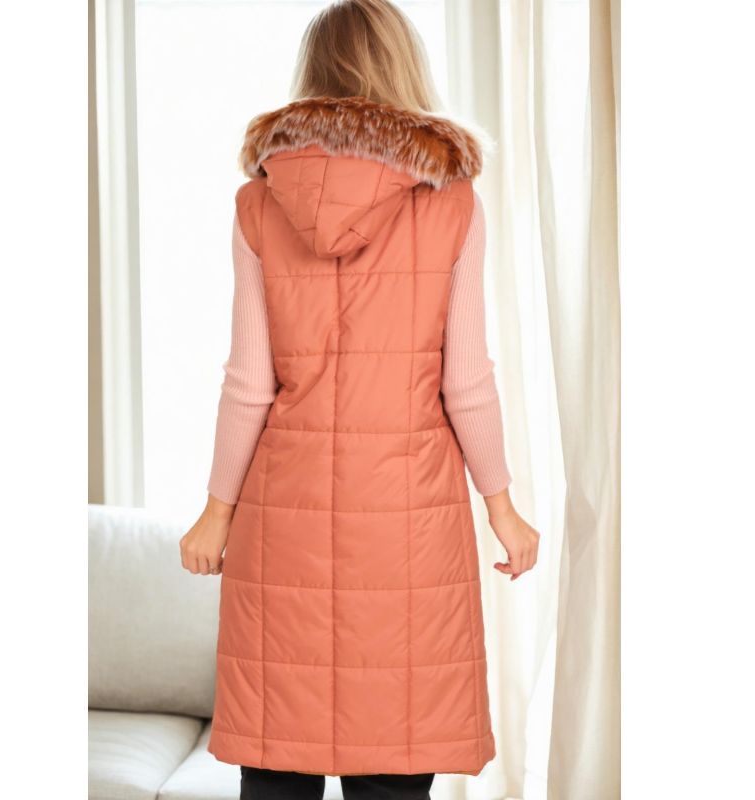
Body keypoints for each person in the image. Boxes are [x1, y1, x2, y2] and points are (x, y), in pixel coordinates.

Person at [179, 1, 540, 797]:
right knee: (395, 763)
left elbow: (249, 383)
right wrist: (502, 508)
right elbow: (465, 379)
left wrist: (216, 512)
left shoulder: (259, 201)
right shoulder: (452, 201)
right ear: (403, 67)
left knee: (280, 763)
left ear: (313, 75)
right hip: (409, 526)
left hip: (286, 522)